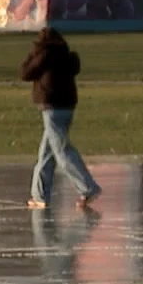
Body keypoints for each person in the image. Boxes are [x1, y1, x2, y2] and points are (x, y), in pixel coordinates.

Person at [19, 27, 102, 209]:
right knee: (46, 154)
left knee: (62, 151)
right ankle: (39, 196)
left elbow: (25, 72)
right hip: (67, 108)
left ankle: (88, 187)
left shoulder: (44, 55)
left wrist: (33, 53)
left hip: (52, 107)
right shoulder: (67, 56)